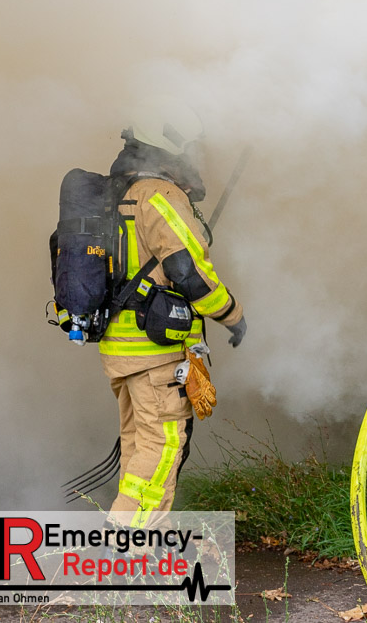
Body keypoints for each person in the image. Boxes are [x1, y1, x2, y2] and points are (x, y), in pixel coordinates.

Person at [100, 98, 246, 529]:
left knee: (138, 447)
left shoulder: (122, 194)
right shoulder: (159, 194)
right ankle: (124, 547)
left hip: (123, 348)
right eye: (191, 147)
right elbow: (187, 270)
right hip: (154, 352)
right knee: (161, 449)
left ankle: (129, 540)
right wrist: (231, 313)